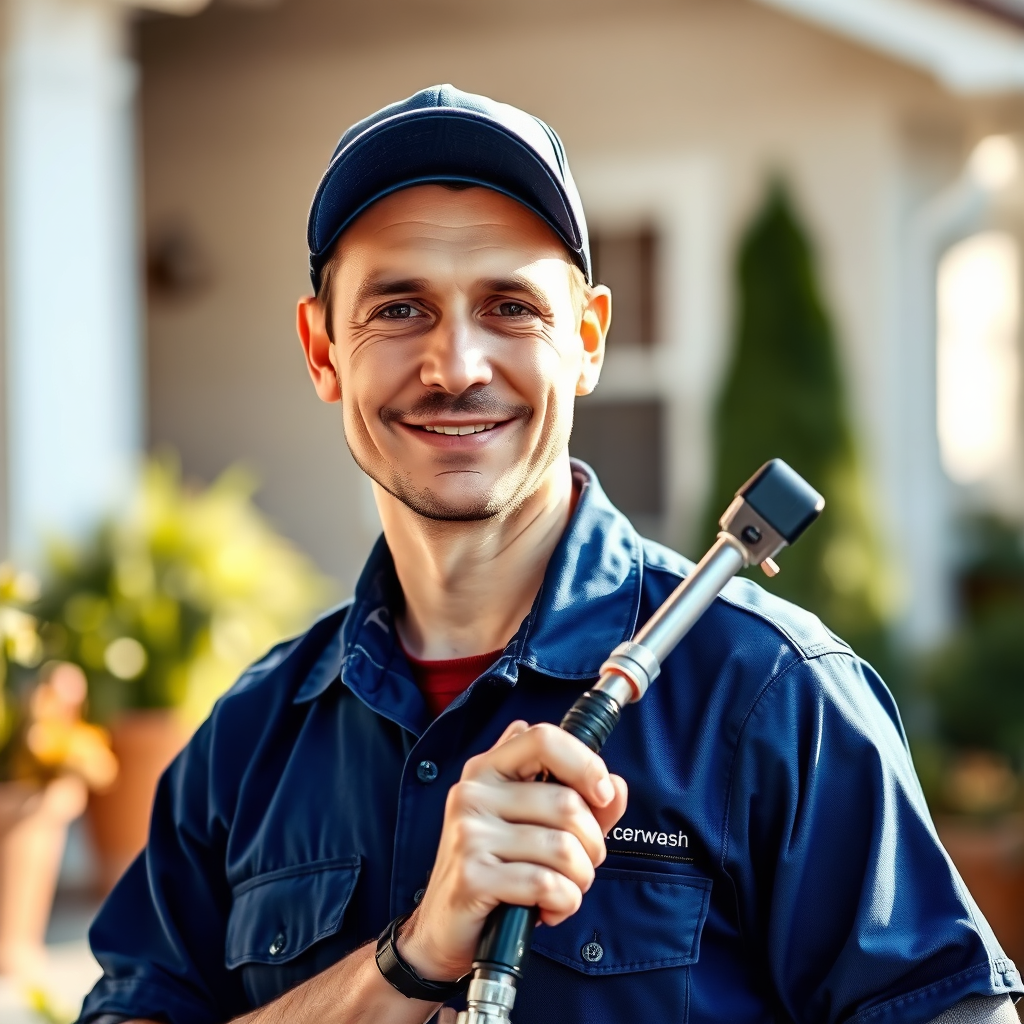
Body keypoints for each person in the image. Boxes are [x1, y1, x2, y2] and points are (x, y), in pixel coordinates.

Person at [77, 85, 1022, 1024]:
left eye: (509, 307)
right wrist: (408, 962)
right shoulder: (247, 742)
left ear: (587, 341)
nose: (455, 367)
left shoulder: (773, 696)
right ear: (323, 350)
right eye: (399, 308)